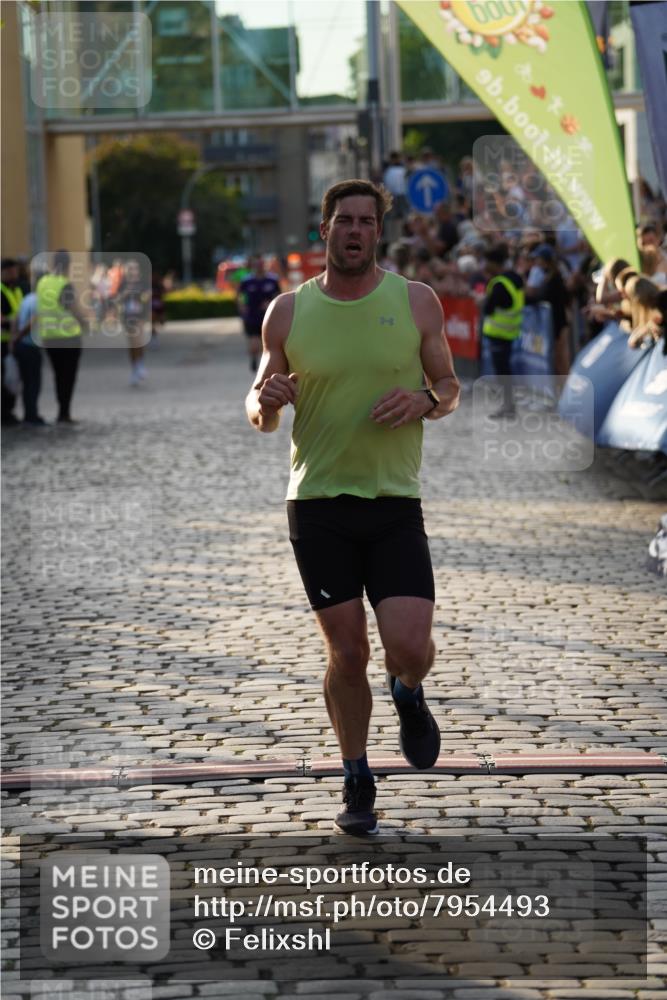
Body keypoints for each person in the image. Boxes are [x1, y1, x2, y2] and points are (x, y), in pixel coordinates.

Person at [245, 179, 460, 836]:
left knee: (408, 646)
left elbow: (449, 385)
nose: (355, 230)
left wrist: (427, 401)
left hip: (394, 501)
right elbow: (256, 401)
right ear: (324, 230)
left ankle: (409, 692)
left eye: (366, 221)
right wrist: (267, 402)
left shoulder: (416, 302)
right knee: (347, 651)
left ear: (378, 232)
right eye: (343, 220)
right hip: (316, 504)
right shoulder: (286, 311)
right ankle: (356, 773)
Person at [36, 250, 87, 424]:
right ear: (68, 265)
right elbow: (72, 307)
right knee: (68, 376)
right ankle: (64, 413)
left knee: (58, 375)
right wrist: (85, 322)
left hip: (49, 337)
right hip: (68, 338)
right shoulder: (64, 284)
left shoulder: (42, 282)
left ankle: (62, 411)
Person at [481, 244, 525, 417]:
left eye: (486, 262)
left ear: (493, 263)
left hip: (499, 334)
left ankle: (508, 407)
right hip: (510, 332)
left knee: (502, 372)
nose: (484, 265)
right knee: (505, 370)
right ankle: (508, 405)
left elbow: (489, 309)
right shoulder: (515, 278)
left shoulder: (499, 284)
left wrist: (483, 301)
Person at [525, 244, 571, 386]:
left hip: (558, 324)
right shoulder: (547, 276)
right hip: (554, 324)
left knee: (561, 360)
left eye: (539, 259)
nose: (537, 263)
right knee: (556, 360)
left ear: (546, 260)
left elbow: (542, 297)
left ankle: (565, 390)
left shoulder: (555, 278)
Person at [10, 266, 48, 426]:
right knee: (33, 383)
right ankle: (31, 416)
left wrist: (13, 339)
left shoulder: (28, 298)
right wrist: (18, 337)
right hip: (30, 346)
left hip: (21, 346)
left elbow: (16, 319)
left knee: (26, 382)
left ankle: (29, 414)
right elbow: (32, 323)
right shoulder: (40, 300)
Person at [237, 255, 281, 372]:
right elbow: (240, 296)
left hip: (268, 316)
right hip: (251, 316)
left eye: (261, 264)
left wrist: (271, 304)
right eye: (256, 264)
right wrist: (242, 307)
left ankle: (265, 363)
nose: (259, 266)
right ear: (253, 266)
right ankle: (253, 358)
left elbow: (279, 296)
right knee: (254, 343)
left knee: (267, 343)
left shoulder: (272, 280)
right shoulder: (246, 281)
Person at [117, 258, 150, 386]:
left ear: (138, 271)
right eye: (130, 268)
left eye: (134, 268)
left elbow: (147, 297)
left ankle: (140, 364)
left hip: (139, 316)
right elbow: (117, 299)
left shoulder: (142, 283)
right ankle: (135, 369)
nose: (132, 271)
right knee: (132, 344)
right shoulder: (123, 283)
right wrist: (125, 293)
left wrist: (146, 296)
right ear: (126, 271)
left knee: (138, 341)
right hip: (127, 317)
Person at [1, 258, 24, 426]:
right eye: (11, 271)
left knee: (13, 379)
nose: (15, 274)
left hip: (15, 340)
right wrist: (14, 323)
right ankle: (4, 414)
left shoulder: (15, 290)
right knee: (4, 379)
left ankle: (9, 411)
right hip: (3, 341)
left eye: (15, 271)